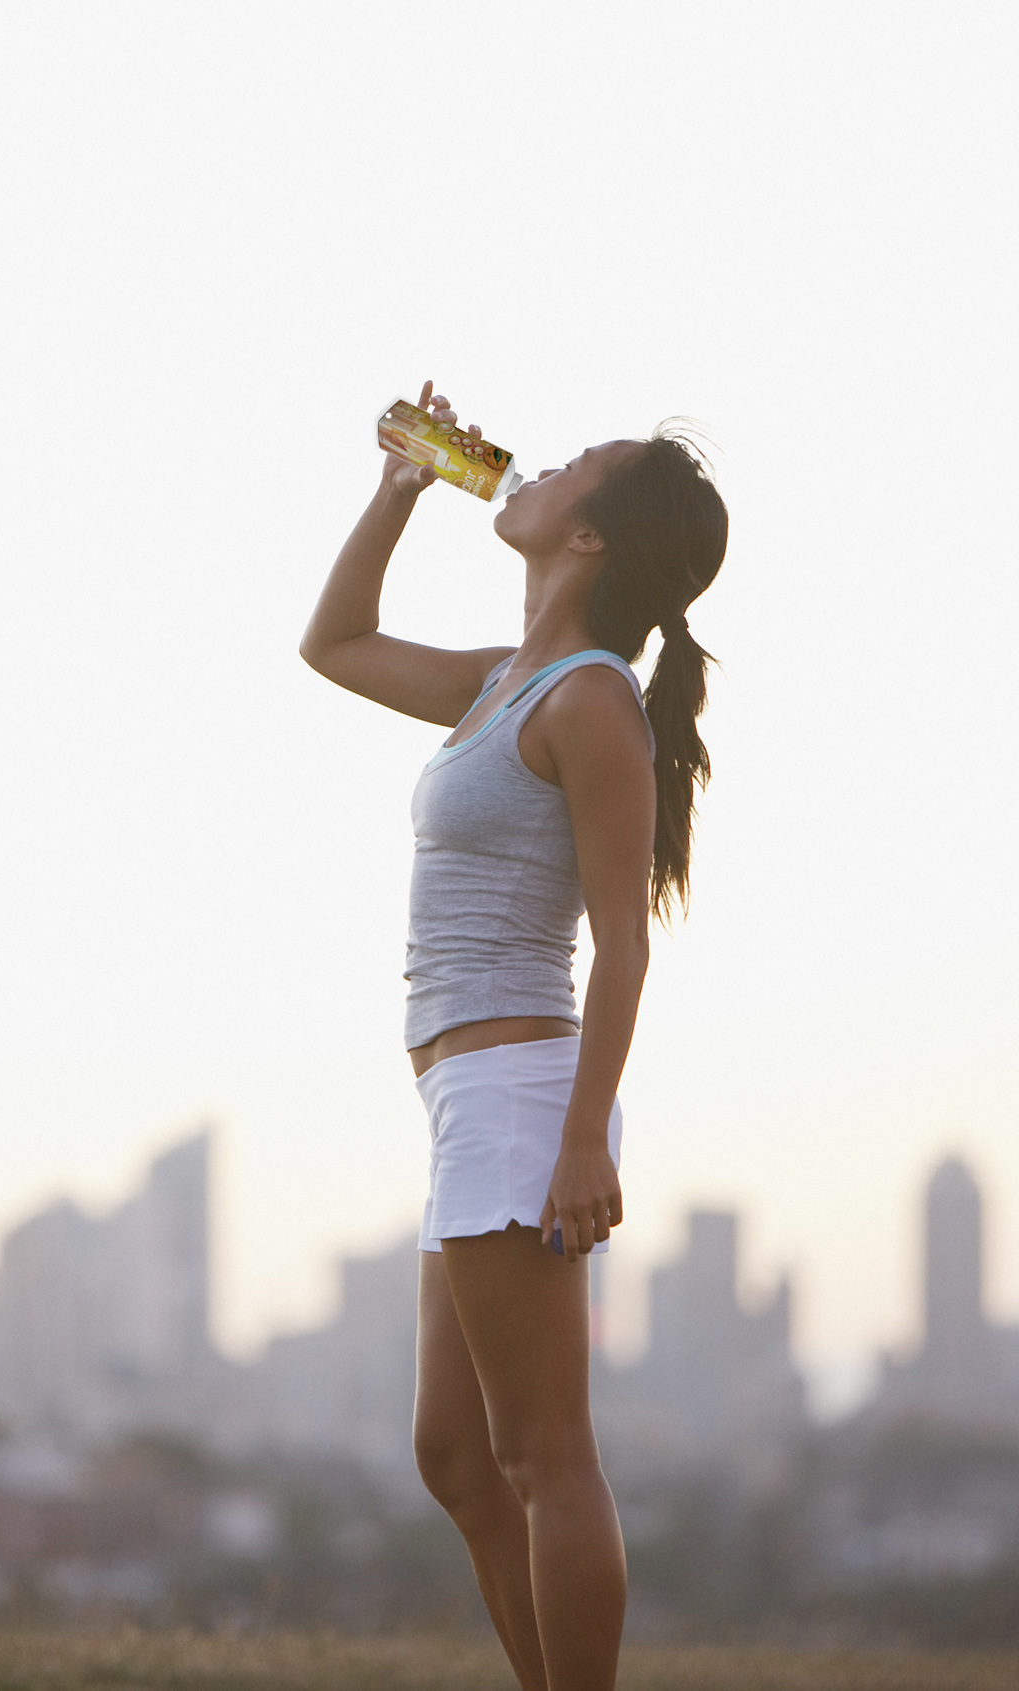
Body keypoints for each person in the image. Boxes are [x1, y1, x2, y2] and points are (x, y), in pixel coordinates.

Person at [299, 384, 728, 1691]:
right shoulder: (504, 685)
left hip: (520, 1099)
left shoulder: (589, 700)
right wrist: (399, 489)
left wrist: (582, 1140)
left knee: (544, 1455)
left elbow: (623, 944)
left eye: (580, 463)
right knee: (456, 1460)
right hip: (468, 1106)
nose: (542, 463)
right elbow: (335, 643)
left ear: (588, 540)